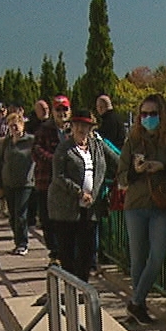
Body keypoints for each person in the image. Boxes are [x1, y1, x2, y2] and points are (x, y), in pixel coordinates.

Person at [116, 93, 166, 324]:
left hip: (162, 203)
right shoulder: (133, 141)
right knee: (138, 259)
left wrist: (163, 167)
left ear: (163, 115)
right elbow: (121, 177)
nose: (148, 118)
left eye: (153, 114)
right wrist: (136, 171)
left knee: (157, 255)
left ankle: (136, 302)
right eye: (144, 114)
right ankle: (138, 307)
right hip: (136, 204)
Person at [48, 111, 104, 279]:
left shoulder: (96, 146)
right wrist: (79, 193)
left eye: (85, 126)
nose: (81, 129)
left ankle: (83, 287)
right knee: (68, 252)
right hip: (66, 207)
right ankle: (71, 288)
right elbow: (58, 176)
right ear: (71, 127)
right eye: (77, 125)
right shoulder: (64, 148)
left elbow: (104, 168)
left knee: (87, 251)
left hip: (90, 206)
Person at [32, 96, 70, 251]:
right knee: (47, 220)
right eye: (58, 109)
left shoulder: (74, 129)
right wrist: (56, 159)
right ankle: (54, 253)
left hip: (68, 184)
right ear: (53, 111)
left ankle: (65, 253)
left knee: (66, 222)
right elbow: (36, 152)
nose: (62, 113)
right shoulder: (44, 130)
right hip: (47, 181)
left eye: (64, 109)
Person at [0, 110, 36, 256]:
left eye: (16, 125)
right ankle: (17, 241)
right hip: (8, 182)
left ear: (22, 125)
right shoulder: (6, 143)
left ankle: (23, 243)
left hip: (25, 182)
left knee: (21, 214)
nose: (14, 128)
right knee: (12, 215)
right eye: (11, 126)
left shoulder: (31, 140)